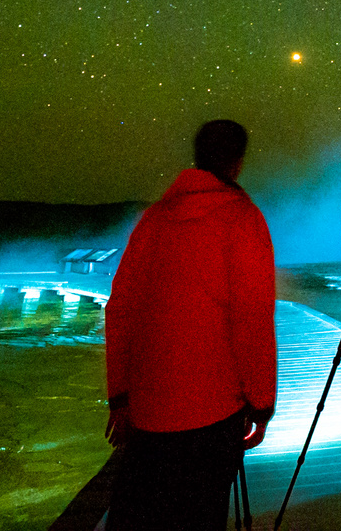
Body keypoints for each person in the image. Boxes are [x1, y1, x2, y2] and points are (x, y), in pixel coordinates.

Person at [104, 119, 277, 531]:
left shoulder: (153, 220)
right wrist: (262, 404)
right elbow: (251, 319)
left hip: (148, 412)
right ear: (237, 163)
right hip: (214, 416)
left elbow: (120, 310)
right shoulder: (242, 219)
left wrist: (120, 397)